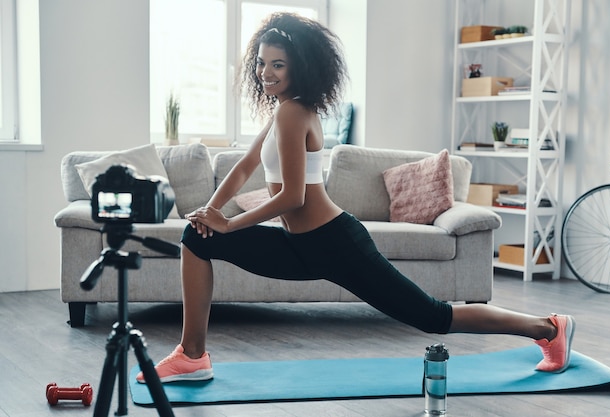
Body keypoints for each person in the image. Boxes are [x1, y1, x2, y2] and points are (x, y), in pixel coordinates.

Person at [137, 12, 574, 384]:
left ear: (300, 67)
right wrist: (212, 210)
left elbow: (291, 196)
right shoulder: (282, 109)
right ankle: (192, 356)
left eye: (277, 65)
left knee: (435, 317)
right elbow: (246, 165)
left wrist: (229, 223)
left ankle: (547, 328)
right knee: (196, 238)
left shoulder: (294, 111)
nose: (265, 73)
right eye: (261, 63)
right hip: (299, 247)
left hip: (336, 243)